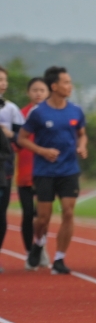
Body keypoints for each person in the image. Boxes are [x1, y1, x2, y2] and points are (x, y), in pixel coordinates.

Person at [18, 66, 89, 275]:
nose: (70, 86)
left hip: (69, 170)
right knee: (43, 218)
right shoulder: (38, 113)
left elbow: (82, 134)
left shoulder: (76, 110)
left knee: (68, 212)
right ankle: (39, 243)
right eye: (66, 82)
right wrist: (41, 150)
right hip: (45, 171)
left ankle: (59, 258)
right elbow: (21, 138)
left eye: (70, 82)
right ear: (54, 86)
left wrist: (82, 145)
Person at [15, 77, 49, 267]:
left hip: (46, 172)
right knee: (28, 214)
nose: (38, 93)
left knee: (42, 215)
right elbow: (15, 143)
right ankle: (31, 252)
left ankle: (40, 246)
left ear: (48, 93)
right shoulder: (20, 115)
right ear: (28, 93)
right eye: (34, 90)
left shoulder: (53, 114)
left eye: (42, 90)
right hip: (25, 174)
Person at [0, 65, 23, 267]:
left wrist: (10, 136)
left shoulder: (11, 109)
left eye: (4, 79)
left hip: (4, 167)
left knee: (1, 212)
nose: (3, 83)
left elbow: (22, 138)